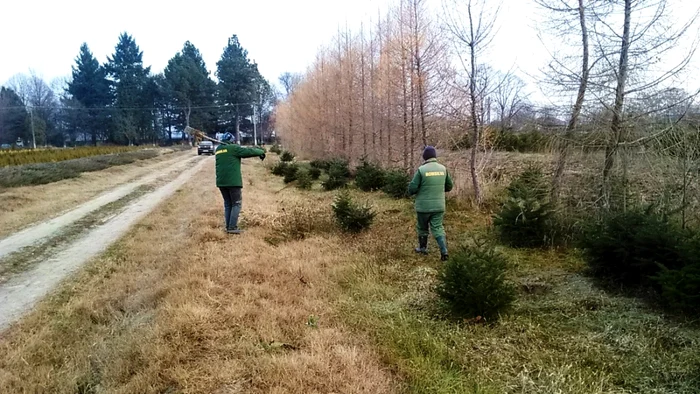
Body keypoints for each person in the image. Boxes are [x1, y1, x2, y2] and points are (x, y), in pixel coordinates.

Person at [408, 146, 454, 261]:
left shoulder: (421, 170)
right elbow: (449, 186)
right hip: (439, 206)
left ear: (425, 157)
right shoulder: (443, 169)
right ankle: (444, 251)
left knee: (422, 227)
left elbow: (412, 188)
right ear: (435, 156)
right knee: (438, 227)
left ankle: (422, 248)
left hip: (423, 207)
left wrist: (412, 191)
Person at [215, 132, 266, 234]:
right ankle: (232, 228)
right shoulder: (233, 148)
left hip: (221, 182)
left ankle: (228, 227)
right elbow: (248, 151)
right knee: (236, 204)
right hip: (233, 182)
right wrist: (261, 151)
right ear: (232, 140)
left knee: (228, 204)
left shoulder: (218, 149)